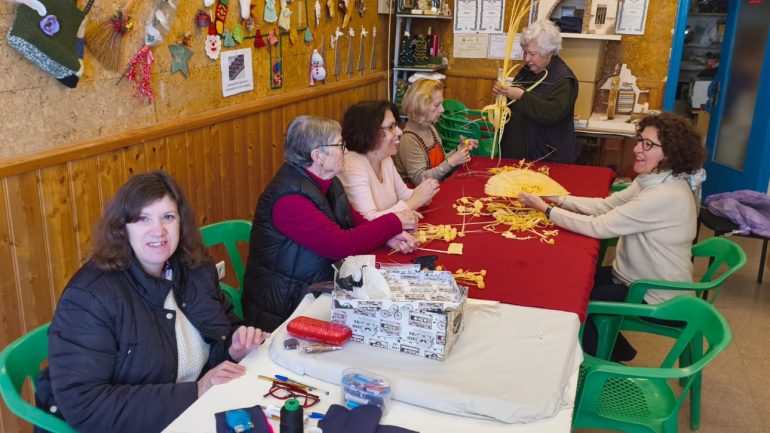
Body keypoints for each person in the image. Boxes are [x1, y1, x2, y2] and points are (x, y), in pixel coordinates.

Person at [35, 171, 268, 433]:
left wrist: (234, 346)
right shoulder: (90, 296)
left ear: (181, 222)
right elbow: (86, 404)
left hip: (198, 408)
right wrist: (196, 391)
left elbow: (223, 325)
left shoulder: (193, 267)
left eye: (168, 217)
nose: (158, 230)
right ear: (123, 228)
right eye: (143, 219)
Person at [519, 112, 707, 359]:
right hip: (634, 277)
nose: (637, 148)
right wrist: (556, 198)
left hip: (655, 294)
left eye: (648, 145)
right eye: (640, 140)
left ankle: (600, 362)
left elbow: (599, 226)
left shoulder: (664, 195)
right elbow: (605, 205)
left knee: (572, 300)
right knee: (570, 278)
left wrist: (546, 209)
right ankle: (616, 349)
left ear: (670, 153)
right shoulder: (653, 179)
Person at [242, 115, 419, 332]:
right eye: (339, 145)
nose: (345, 150)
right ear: (318, 156)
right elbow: (340, 244)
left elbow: (354, 221)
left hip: (313, 285)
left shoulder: (328, 181)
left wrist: (389, 235)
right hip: (285, 307)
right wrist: (395, 221)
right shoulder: (289, 200)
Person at [491, 19, 578, 163]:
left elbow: (553, 113)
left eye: (532, 54)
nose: (527, 59)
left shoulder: (563, 79)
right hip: (519, 155)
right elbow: (512, 105)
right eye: (525, 53)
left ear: (549, 52)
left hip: (547, 157)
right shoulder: (527, 71)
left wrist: (521, 96)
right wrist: (502, 95)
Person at [339, 100, 440, 221]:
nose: (400, 131)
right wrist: (414, 202)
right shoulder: (352, 165)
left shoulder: (384, 157)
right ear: (369, 132)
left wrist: (424, 193)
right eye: (391, 127)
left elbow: (403, 195)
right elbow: (369, 221)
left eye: (396, 125)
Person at [394, 78, 473, 185]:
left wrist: (459, 150)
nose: (442, 109)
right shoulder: (408, 139)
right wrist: (452, 161)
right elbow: (419, 180)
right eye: (437, 105)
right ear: (420, 107)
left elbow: (441, 162)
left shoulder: (430, 127)